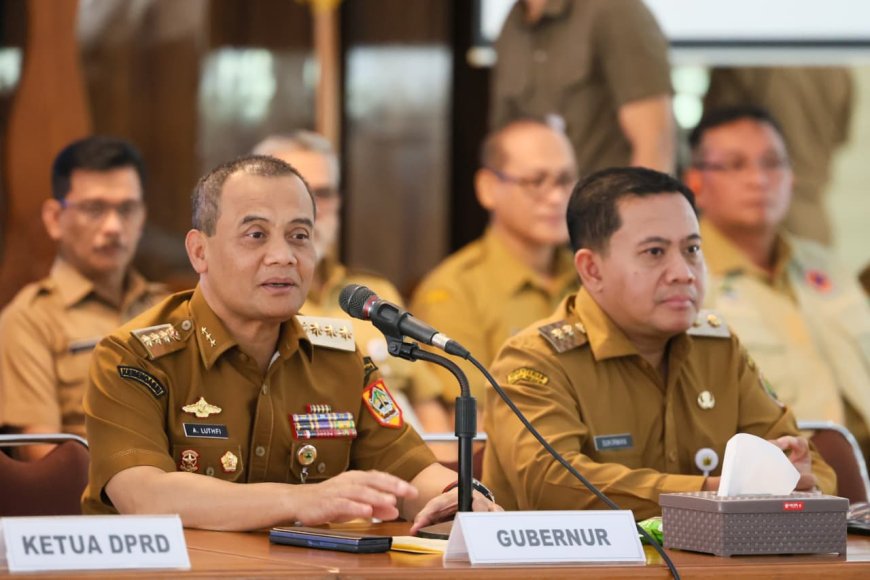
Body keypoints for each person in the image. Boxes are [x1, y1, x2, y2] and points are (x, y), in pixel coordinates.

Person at [82, 155, 499, 531]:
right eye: (256, 235)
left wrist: (459, 498)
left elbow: (408, 472)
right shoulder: (133, 357)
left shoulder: (339, 359)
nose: (283, 256)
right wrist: (302, 500)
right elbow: (144, 497)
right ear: (199, 252)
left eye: (299, 236)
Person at [483, 166, 836, 518]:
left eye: (692, 248)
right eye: (655, 252)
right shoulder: (535, 361)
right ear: (592, 269)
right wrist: (718, 494)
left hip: (712, 569)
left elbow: (808, 465)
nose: (683, 272)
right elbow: (553, 485)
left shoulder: (718, 349)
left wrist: (802, 484)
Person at [684, 105, 870, 462]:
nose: (759, 179)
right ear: (696, 182)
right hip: (789, 483)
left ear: (792, 176)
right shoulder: (688, 282)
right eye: (736, 165)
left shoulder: (825, 264)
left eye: (772, 163)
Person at [252, 132, 450, 433]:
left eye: (324, 194)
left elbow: (425, 401)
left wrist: (446, 472)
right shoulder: (254, 300)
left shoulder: (373, 292)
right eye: (297, 193)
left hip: (413, 460)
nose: (312, 211)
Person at [0, 136, 164, 459]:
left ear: (142, 216)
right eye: (94, 209)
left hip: (182, 497)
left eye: (127, 209)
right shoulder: (29, 320)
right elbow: (42, 460)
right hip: (88, 503)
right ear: (54, 219)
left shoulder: (167, 308)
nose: (114, 227)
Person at [411, 118, 579, 407]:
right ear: (488, 188)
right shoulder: (455, 290)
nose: (557, 197)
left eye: (565, 180)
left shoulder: (591, 276)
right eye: (536, 181)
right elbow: (470, 418)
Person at [490, 0, 675, 176]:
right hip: (543, 206)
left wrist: (635, 209)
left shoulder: (615, 9)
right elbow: (503, 148)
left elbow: (655, 145)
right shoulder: (512, 25)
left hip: (604, 204)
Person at [703, 67, 853, 245]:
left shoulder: (748, 58)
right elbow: (840, 137)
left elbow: (715, 131)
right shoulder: (839, 68)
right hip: (812, 217)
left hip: (760, 215)